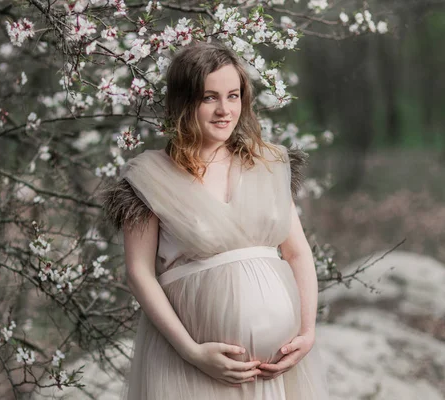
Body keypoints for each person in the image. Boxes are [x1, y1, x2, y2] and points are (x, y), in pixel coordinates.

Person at [101, 40, 329, 400]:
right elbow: (139, 273)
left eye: (233, 96)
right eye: (209, 97)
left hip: (277, 374)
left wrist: (307, 332)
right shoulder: (149, 177)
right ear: (184, 101)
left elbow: (298, 253)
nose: (225, 110)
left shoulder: (268, 164)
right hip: (191, 367)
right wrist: (192, 351)